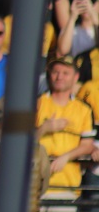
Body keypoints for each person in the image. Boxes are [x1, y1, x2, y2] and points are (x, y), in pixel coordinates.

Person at [36, 56, 96, 201]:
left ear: (76, 77)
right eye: (56, 72)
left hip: (67, 186)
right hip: (35, 186)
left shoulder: (84, 109)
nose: (59, 77)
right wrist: (44, 128)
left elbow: (87, 145)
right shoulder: (36, 104)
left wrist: (65, 157)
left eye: (65, 73)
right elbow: (21, 142)